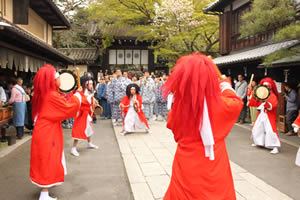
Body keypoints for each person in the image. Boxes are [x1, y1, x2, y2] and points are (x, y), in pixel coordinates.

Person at [161, 53, 243, 200]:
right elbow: (235, 102)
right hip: (214, 160)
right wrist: (224, 84)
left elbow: (173, 127)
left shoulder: (178, 107)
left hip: (186, 161)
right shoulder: (219, 104)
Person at [30, 64, 82, 200]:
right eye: (58, 78)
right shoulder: (51, 95)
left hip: (44, 130)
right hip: (48, 132)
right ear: (52, 81)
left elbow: (61, 103)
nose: (60, 80)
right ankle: (44, 193)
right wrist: (78, 96)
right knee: (48, 159)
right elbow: (68, 108)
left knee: (45, 159)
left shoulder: (44, 94)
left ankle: (45, 190)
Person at [247, 77, 280, 154]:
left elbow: (273, 104)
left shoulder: (272, 95)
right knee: (258, 128)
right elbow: (253, 101)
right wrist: (250, 91)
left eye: (267, 86)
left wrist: (266, 103)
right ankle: (259, 142)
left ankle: (275, 146)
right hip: (261, 113)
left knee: (270, 130)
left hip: (269, 115)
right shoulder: (260, 94)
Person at [71, 76, 99, 156]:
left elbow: (91, 100)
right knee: (78, 130)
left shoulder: (89, 92)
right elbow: (77, 101)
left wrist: (94, 102)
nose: (91, 86)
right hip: (81, 114)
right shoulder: (79, 92)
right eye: (89, 84)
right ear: (85, 84)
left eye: (91, 84)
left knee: (89, 129)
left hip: (87, 113)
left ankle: (89, 143)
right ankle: (73, 148)